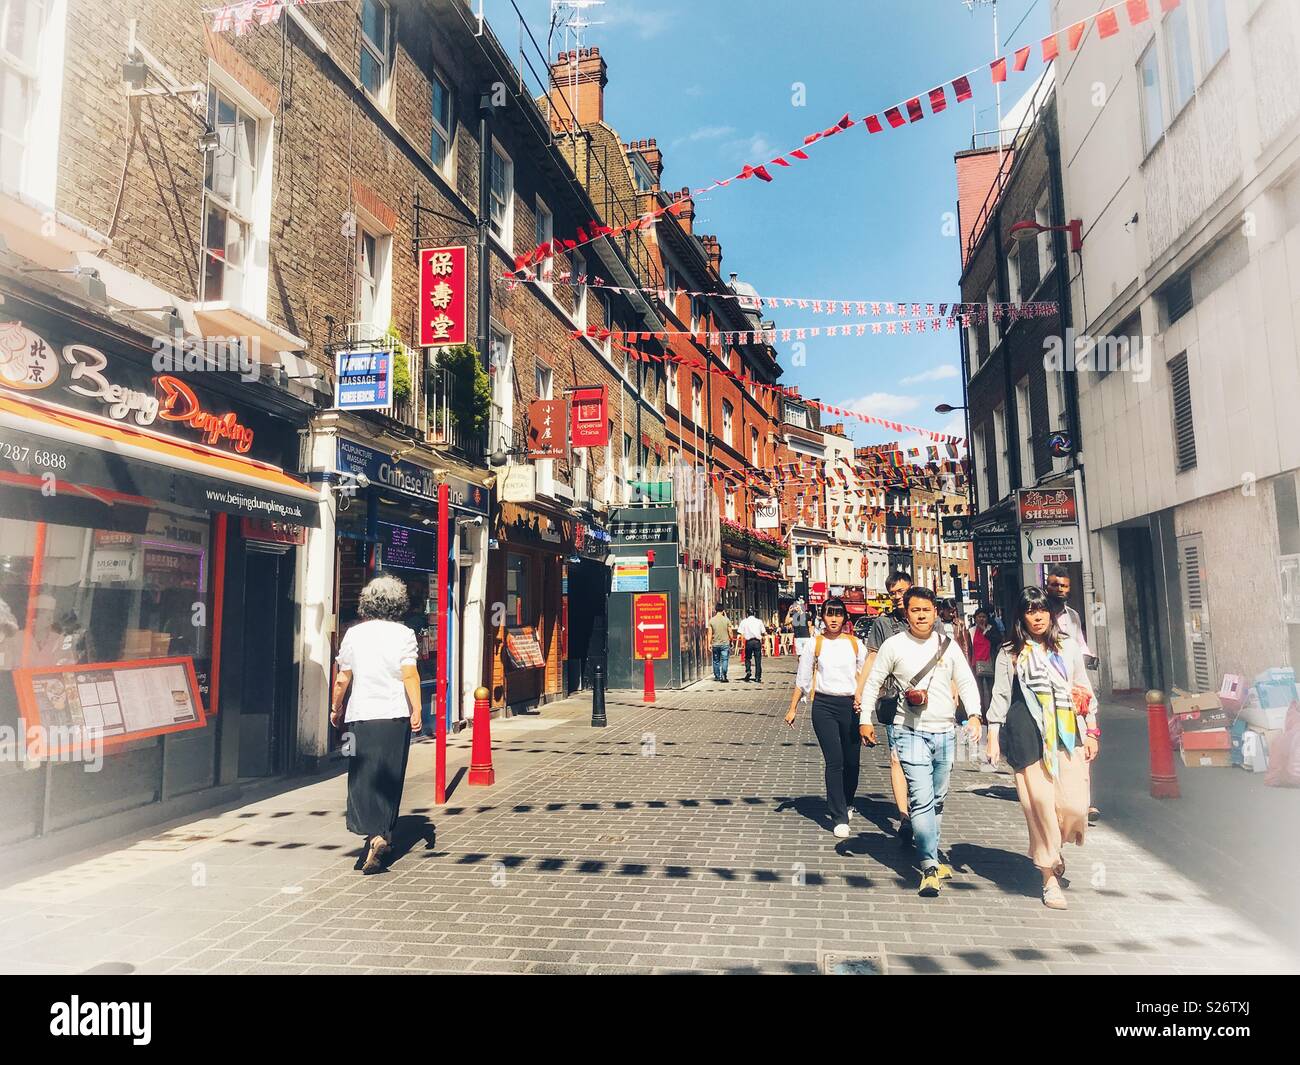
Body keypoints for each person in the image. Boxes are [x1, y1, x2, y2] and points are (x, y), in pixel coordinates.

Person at [859, 586, 982, 897]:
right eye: (915, 610)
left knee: (938, 798)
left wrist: (975, 715)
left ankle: (932, 852)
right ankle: (928, 864)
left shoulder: (947, 646)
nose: (922, 615)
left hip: (945, 732)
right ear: (907, 612)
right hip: (909, 730)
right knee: (922, 797)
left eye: (926, 610)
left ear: (934, 612)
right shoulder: (893, 645)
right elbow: (874, 682)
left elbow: (966, 680)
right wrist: (864, 720)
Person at [986, 586, 1099, 910]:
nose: (1037, 617)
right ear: (1021, 617)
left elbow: (1082, 688)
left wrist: (1092, 730)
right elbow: (1001, 694)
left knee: (1075, 805)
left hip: (1066, 730)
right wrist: (993, 733)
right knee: (1039, 805)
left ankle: (1054, 845)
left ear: (1050, 614)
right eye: (1030, 611)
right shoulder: (1010, 652)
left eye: (1042, 610)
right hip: (1025, 731)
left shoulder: (1067, 647)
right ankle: (1048, 878)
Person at [330, 575, 423, 874]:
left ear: (367, 602)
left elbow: (343, 678)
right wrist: (417, 708)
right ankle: (383, 834)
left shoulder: (354, 634)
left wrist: (336, 707)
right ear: (399, 603)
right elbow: (409, 674)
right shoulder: (404, 634)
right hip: (395, 715)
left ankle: (374, 835)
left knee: (361, 775)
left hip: (361, 715)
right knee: (390, 775)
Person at [785, 597, 873, 837]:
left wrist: (866, 706)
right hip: (824, 706)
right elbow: (803, 678)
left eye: (838, 614)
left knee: (852, 762)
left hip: (851, 706)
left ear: (845, 618)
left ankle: (847, 800)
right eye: (829, 614)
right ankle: (839, 816)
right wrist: (793, 708)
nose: (834, 619)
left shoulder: (855, 644)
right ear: (822, 617)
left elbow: (867, 676)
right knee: (835, 761)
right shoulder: (815, 644)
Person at [1045, 565, 1100, 824]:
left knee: (1081, 745)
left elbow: (1080, 644)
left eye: (1064, 586)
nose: (1060, 590)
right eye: (1055, 585)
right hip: (1047, 689)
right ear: (1047, 586)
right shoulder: (1039, 612)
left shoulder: (1073, 616)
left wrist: (1087, 658)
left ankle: (1085, 803)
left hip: (1072, 687)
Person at [865, 571, 914, 843]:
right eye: (892, 593)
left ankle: (921, 805)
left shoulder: (927, 617)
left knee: (927, 761)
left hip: (927, 702)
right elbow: (872, 660)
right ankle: (904, 816)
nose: (896, 597)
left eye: (901, 591)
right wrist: (862, 694)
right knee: (897, 757)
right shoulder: (882, 624)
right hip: (894, 701)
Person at [708, 604, 733, 683]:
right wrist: (731, 641)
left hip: (715, 644)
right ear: (723, 610)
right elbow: (730, 632)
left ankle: (717, 676)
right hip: (725, 643)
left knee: (716, 660)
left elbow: (709, 633)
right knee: (724, 660)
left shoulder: (711, 620)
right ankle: (724, 675)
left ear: (715, 610)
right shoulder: (726, 620)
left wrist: (709, 643)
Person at [738, 610, 766, 682]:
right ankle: (757, 677)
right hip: (757, 642)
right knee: (758, 659)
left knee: (747, 658)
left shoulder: (744, 621)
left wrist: (742, 643)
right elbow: (763, 632)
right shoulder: (759, 621)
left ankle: (748, 671)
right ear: (754, 613)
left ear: (747, 614)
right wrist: (764, 641)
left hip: (749, 642)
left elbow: (741, 633)